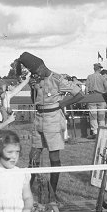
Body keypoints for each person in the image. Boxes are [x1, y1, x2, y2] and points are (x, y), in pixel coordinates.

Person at [16, 52, 84, 198]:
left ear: (41, 67)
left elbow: (79, 94)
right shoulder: (36, 79)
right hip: (39, 120)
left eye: (35, 72)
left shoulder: (57, 79)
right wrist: (32, 88)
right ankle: (26, 193)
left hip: (53, 120)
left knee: (54, 156)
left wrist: (62, 104)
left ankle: (53, 192)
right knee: (33, 156)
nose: (35, 75)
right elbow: (35, 100)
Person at [85, 63, 107, 139]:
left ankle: (95, 132)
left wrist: (86, 97)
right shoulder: (102, 78)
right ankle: (102, 131)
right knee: (101, 115)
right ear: (100, 69)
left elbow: (86, 88)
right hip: (101, 97)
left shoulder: (89, 77)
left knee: (93, 115)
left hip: (92, 97)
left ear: (94, 68)